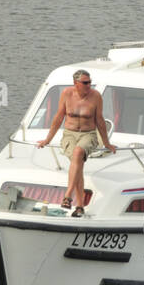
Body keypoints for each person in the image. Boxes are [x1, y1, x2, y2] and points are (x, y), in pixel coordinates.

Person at [37, 69, 115, 216]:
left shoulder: (95, 96)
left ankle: (68, 195)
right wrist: (48, 139)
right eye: (85, 83)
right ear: (76, 83)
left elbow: (99, 120)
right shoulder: (67, 94)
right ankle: (80, 206)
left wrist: (107, 143)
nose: (89, 85)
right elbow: (59, 117)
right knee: (77, 163)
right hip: (69, 134)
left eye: (90, 82)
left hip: (88, 134)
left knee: (78, 153)